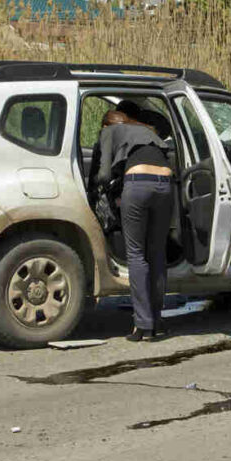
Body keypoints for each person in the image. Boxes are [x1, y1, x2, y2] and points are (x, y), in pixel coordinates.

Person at [96, 109, 174, 342]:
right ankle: (157, 321)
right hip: (165, 184)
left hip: (137, 184)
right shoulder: (147, 131)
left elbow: (103, 174)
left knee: (136, 255)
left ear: (106, 124)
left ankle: (142, 325)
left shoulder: (109, 131)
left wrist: (106, 189)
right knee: (157, 253)